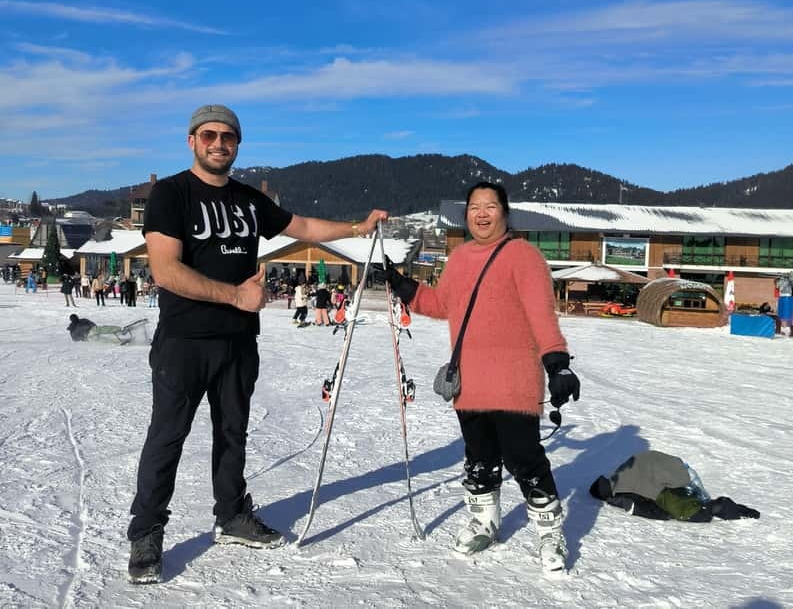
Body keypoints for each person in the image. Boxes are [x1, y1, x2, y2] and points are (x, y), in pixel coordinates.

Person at [126, 104, 387, 584]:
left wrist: (356, 228)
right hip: (185, 340)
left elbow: (302, 228)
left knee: (233, 434)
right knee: (167, 438)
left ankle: (231, 515)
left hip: (239, 342)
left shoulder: (248, 199)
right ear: (192, 140)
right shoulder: (171, 194)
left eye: (228, 136)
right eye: (209, 135)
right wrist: (238, 296)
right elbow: (165, 270)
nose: (218, 143)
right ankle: (146, 533)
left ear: (237, 144)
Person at [379, 181, 580, 576]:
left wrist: (558, 363)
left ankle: (549, 534)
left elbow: (542, 315)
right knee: (479, 457)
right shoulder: (459, 258)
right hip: (468, 380)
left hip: (514, 381)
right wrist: (406, 287)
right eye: (474, 207)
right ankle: (484, 522)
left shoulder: (524, 256)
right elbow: (442, 305)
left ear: (505, 213)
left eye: (490, 206)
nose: (482, 213)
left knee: (525, 459)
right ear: (466, 214)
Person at [589, 450, 760, 522]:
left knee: (694, 511)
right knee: (696, 503)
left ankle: (729, 509)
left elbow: (646, 508)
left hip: (668, 484)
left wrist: (663, 514)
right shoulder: (619, 473)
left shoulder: (619, 490)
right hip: (671, 471)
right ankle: (732, 509)